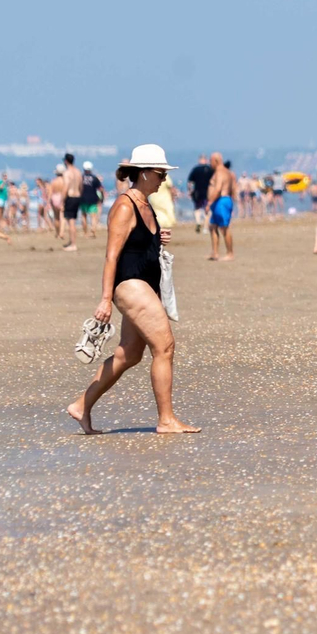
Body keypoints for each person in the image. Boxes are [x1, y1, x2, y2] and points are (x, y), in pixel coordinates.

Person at [67, 144, 200, 437]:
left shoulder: (146, 203)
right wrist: (104, 300)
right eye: (159, 172)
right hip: (131, 286)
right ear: (142, 174)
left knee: (129, 355)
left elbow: (137, 245)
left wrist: (157, 239)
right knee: (164, 347)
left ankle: (81, 405)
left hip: (145, 285)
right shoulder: (125, 206)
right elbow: (111, 255)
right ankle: (166, 420)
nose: (164, 177)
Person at [206, 151, 235, 260]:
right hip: (220, 201)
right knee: (212, 226)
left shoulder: (220, 172)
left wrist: (209, 203)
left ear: (216, 161)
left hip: (221, 201)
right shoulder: (227, 172)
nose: (210, 163)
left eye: (211, 161)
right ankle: (215, 253)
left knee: (224, 227)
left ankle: (230, 253)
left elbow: (218, 189)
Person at [60, 153, 83, 251]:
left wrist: (62, 201)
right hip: (77, 196)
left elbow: (65, 187)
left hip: (70, 196)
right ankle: (71, 241)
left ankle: (73, 244)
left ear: (66, 161)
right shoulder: (78, 172)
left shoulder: (67, 173)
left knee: (71, 221)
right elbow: (81, 186)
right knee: (72, 219)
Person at [186, 154, 213, 234]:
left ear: (199, 160)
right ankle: (205, 227)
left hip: (197, 192)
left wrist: (190, 191)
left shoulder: (195, 169)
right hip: (207, 192)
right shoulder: (210, 169)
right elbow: (213, 182)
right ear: (206, 160)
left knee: (197, 208)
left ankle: (198, 222)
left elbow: (190, 182)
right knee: (208, 210)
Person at [80, 161, 104, 237]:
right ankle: (93, 230)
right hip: (93, 198)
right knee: (93, 216)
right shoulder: (94, 178)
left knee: (84, 215)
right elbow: (100, 189)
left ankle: (85, 232)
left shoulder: (81, 178)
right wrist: (102, 197)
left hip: (83, 198)